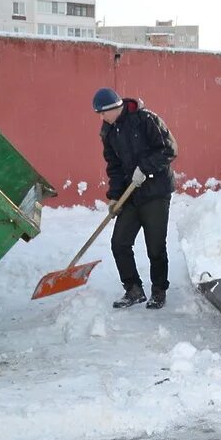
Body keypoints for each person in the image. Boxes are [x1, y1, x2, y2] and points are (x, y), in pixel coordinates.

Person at [93, 88, 178, 310]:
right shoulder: (108, 132)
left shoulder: (146, 119)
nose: (101, 118)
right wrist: (114, 197)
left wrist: (145, 168)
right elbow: (114, 167)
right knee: (119, 242)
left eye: (102, 113)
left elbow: (169, 149)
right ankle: (133, 290)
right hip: (131, 195)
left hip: (156, 192)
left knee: (155, 246)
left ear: (113, 108)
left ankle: (159, 291)